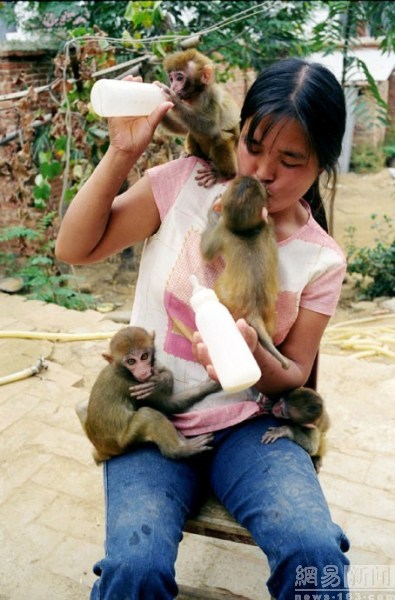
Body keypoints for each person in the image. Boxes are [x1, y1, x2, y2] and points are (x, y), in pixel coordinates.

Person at [56, 57, 350, 599]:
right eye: (254, 147)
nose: (263, 171)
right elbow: (73, 249)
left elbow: (294, 375)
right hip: (153, 416)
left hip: (248, 429)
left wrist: (252, 356)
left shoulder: (320, 259)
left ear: (321, 166)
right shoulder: (184, 187)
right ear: (238, 133)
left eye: (290, 160)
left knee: (315, 553)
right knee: (134, 567)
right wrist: (123, 152)